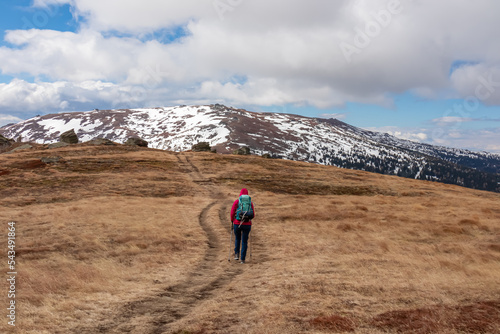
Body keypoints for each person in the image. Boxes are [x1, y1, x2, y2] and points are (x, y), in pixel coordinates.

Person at [230, 188, 255, 264]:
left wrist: (232, 220)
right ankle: (243, 259)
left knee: (237, 239)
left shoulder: (237, 202)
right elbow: (253, 215)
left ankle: (237, 254)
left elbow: (232, 212)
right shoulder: (250, 203)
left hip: (237, 223)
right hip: (247, 225)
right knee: (244, 241)